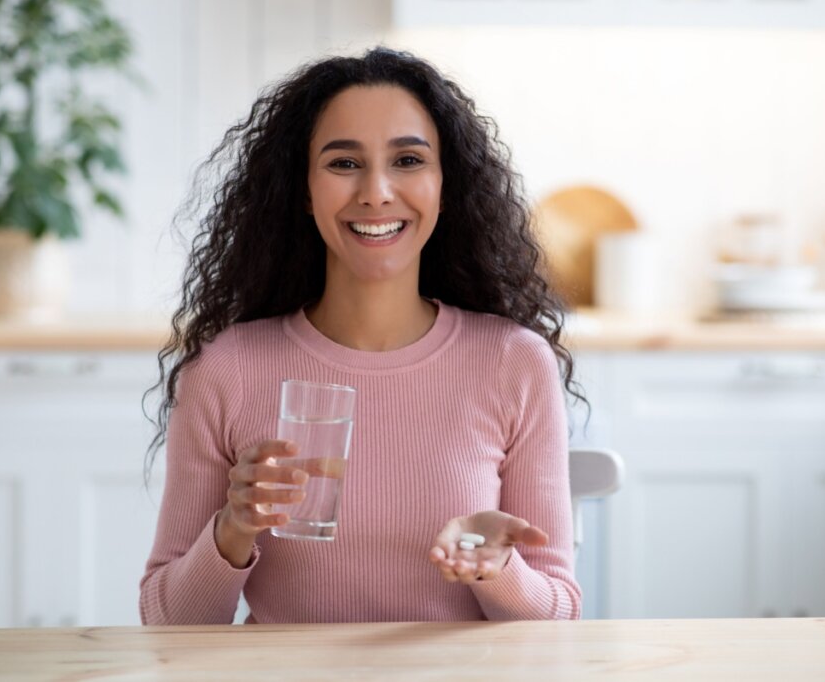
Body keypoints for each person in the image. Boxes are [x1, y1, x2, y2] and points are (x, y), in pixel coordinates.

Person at [140, 46, 585, 624]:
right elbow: (166, 622)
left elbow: (560, 619)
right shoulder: (226, 368)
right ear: (303, 189)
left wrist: (495, 567)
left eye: (408, 161)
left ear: (445, 186)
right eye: (344, 163)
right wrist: (232, 529)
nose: (376, 191)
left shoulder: (513, 362)